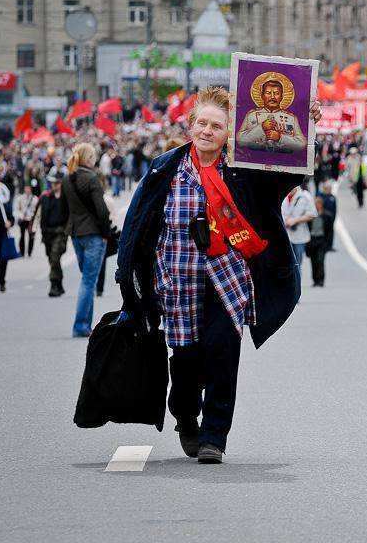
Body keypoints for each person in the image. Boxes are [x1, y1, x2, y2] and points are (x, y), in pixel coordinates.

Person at [115, 86, 318, 464]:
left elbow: (288, 175)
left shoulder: (244, 170)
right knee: (186, 358)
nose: (207, 131)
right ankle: (186, 416)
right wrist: (130, 277)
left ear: (230, 133)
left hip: (228, 276)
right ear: (191, 125)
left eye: (217, 126)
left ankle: (214, 436)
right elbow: (139, 223)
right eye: (202, 123)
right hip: (177, 278)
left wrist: (307, 128)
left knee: (223, 350)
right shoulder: (165, 169)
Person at [63, 142, 111, 337]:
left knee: (87, 279)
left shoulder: (67, 178)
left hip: (75, 233)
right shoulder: (91, 178)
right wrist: (107, 232)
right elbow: (101, 210)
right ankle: (81, 325)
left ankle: (86, 324)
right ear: (88, 159)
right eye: (93, 157)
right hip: (92, 234)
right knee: (89, 281)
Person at [234, 73, 307, 153]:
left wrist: (280, 138)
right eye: (268, 93)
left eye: (276, 93)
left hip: (283, 160)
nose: (272, 97)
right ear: (262, 95)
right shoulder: (251, 115)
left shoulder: (291, 118)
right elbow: (239, 141)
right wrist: (261, 128)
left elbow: (302, 144)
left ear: (282, 96)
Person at [39, 173, 70, 297]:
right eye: (52, 183)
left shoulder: (65, 198)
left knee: (55, 256)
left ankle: (53, 284)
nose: (54, 185)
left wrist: (66, 230)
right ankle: (60, 282)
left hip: (60, 232)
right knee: (51, 259)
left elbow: (70, 215)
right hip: (48, 233)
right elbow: (41, 215)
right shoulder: (46, 197)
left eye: (56, 183)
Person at [282, 185, 317, 270]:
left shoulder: (305, 196)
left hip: (299, 236)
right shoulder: (283, 195)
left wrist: (295, 220)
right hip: (284, 235)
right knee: (285, 265)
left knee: (297, 265)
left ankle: (297, 282)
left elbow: (313, 214)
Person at [306, 196, 330, 287]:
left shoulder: (327, 216)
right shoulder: (310, 216)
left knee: (320, 260)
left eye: (318, 204)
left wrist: (328, 243)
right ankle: (315, 279)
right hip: (312, 240)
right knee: (313, 261)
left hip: (321, 240)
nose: (317, 205)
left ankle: (321, 279)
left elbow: (329, 231)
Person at [13, 185, 39, 258]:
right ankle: (22, 252)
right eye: (26, 188)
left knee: (31, 236)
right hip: (23, 219)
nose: (27, 190)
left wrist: (33, 217)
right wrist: (21, 216)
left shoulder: (35, 199)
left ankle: (29, 252)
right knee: (22, 235)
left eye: (29, 188)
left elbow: (38, 210)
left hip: (31, 220)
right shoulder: (20, 198)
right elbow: (16, 209)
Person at [316, 179, 337, 252]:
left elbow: (335, 209)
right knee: (323, 232)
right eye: (328, 188)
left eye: (330, 188)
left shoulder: (332, 197)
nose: (329, 190)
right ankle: (323, 245)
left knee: (331, 232)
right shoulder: (320, 196)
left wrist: (334, 218)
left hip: (331, 218)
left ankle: (330, 246)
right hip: (323, 217)